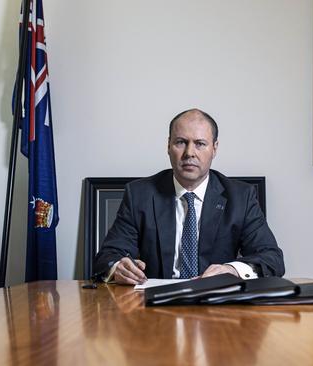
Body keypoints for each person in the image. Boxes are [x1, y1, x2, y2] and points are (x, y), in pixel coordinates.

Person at [93, 109, 285, 285]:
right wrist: (117, 267)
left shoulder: (240, 198)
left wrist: (231, 270)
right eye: (181, 142)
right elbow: (107, 256)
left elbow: (272, 258)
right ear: (168, 146)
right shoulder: (140, 195)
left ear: (215, 148)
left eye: (200, 144)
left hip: (218, 306)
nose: (189, 153)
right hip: (155, 306)